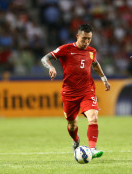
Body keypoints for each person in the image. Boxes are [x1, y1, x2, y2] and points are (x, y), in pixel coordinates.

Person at [41, 24, 110, 159]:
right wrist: (51, 67)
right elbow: (45, 58)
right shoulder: (66, 49)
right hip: (69, 93)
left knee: (93, 117)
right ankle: (76, 140)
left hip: (87, 91)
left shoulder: (92, 51)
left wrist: (104, 79)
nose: (86, 42)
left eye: (89, 39)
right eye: (84, 38)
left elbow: (95, 64)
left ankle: (92, 149)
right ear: (77, 36)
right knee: (72, 125)